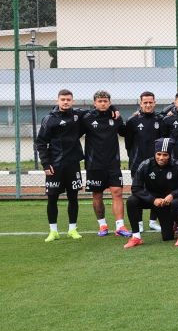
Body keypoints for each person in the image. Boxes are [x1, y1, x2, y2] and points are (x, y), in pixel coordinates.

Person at [36, 89, 86, 242]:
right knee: (52, 198)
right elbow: (41, 142)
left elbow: (98, 110)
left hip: (73, 165)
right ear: (57, 101)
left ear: (72, 101)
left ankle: (72, 229)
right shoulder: (49, 119)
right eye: (63, 99)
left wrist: (113, 109)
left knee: (73, 198)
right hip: (55, 166)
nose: (65, 102)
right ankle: (53, 231)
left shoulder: (78, 115)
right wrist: (46, 164)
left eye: (68, 99)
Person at [123, 138, 178, 248]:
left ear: (170, 155)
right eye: (159, 154)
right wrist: (152, 199)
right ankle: (136, 237)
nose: (161, 158)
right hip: (150, 199)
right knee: (131, 201)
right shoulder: (145, 165)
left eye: (165, 155)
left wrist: (172, 195)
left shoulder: (177, 166)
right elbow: (136, 188)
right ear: (155, 153)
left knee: (168, 237)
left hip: (166, 203)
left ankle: (173, 223)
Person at [81, 90, 129, 237]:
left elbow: (124, 132)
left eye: (105, 101)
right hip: (94, 164)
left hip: (113, 163)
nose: (103, 103)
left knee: (117, 192)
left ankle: (120, 226)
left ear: (109, 102)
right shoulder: (87, 118)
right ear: (94, 103)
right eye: (100, 101)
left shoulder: (116, 117)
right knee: (97, 195)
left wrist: (116, 110)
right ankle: (102, 225)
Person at [124, 91, 166, 233]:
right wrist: (134, 157)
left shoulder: (161, 120)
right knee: (138, 193)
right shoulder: (132, 121)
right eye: (145, 102)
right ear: (140, 103)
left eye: (150, 102)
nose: (148, 105)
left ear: (155, 103)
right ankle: (139, 223)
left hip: (157, 163)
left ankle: (153, 222)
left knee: (157, 190)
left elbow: (163, 142)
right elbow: (128, 144)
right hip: (137, 163)